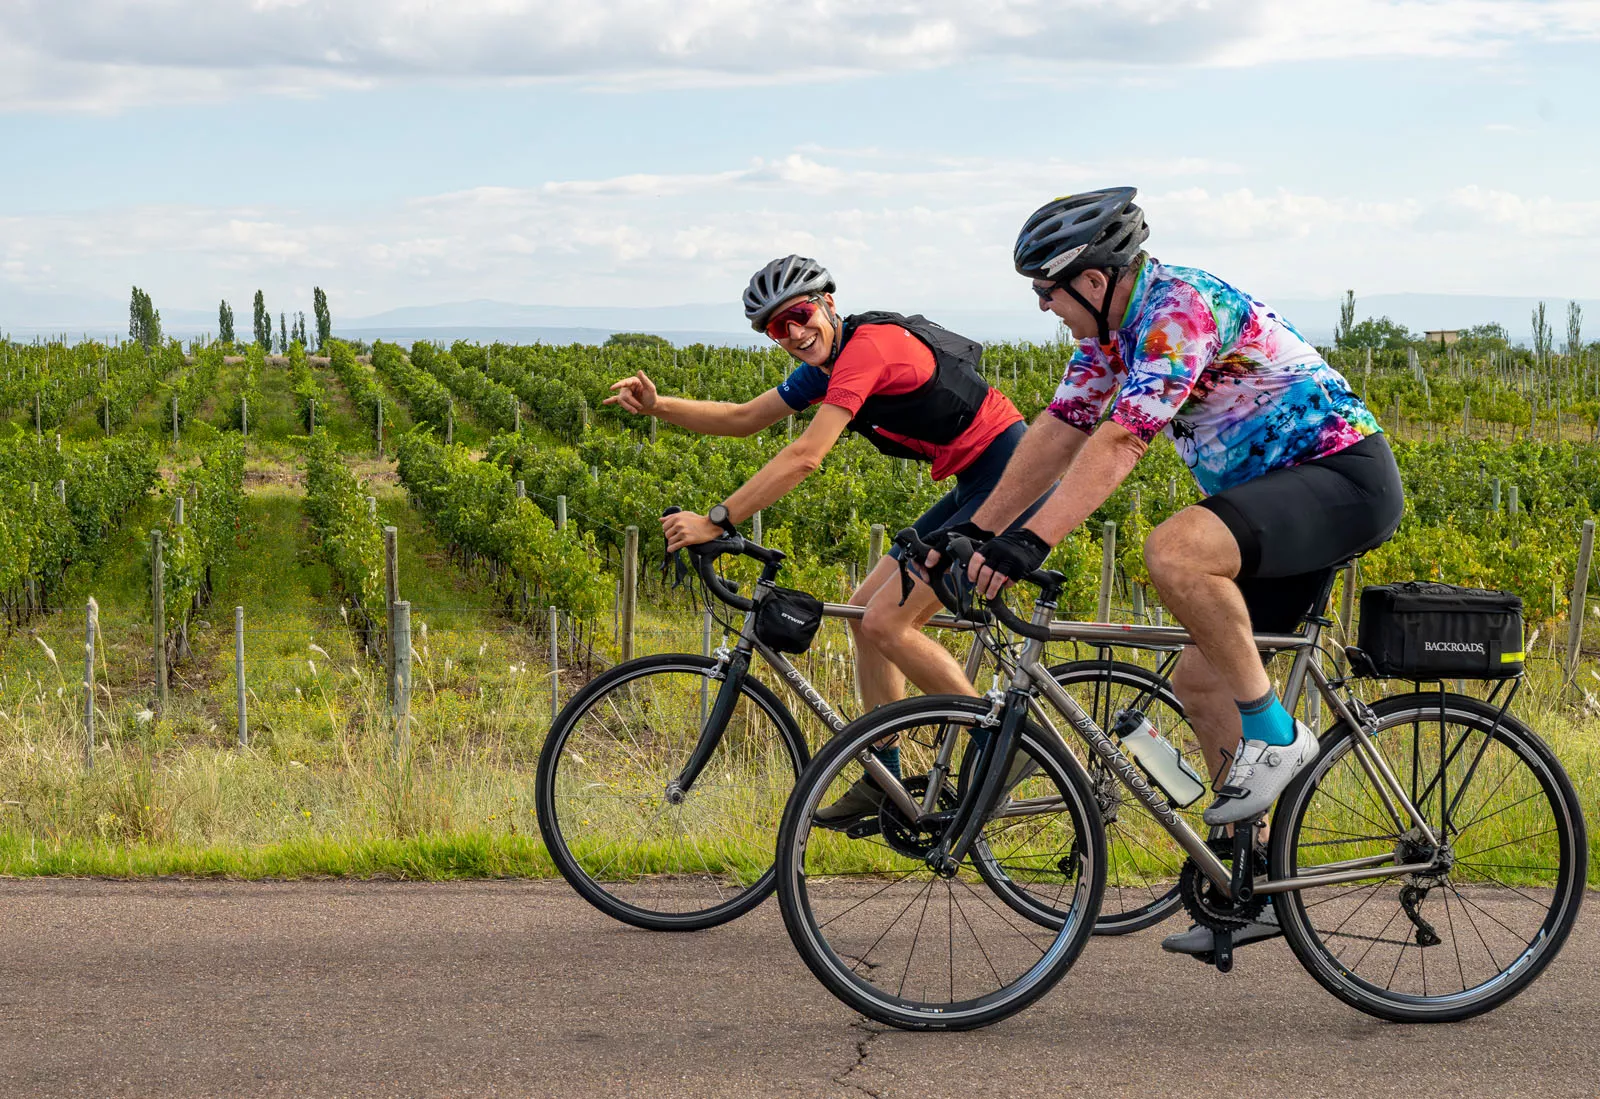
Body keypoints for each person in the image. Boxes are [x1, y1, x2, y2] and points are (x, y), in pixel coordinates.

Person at [932, 187, 1403, 956]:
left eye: (1045, 291)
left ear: (1091, 279)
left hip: (1342, 479)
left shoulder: (1177, 309)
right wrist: (978, 530)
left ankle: (1276, 735)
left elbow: (1120, 442)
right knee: (1200, 678)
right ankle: (1249, 879)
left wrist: (1032, 542)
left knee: (1174, 549)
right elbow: (1057, 431)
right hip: (1276, 501)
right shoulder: (1110, 337)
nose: (1043, 307)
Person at [605, 255, 1050, 827]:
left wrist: (718, 519)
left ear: (828, 304)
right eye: (775, 327)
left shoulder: (868, 349)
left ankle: (1002, 746)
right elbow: (745, 417)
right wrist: (659, 406)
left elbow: (806, 456)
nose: (792, 333)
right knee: (864, 612)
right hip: (978, 480)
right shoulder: (826, 364)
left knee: (888, 623)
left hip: (1014, 480)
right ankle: (885, 777)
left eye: (799, 314)